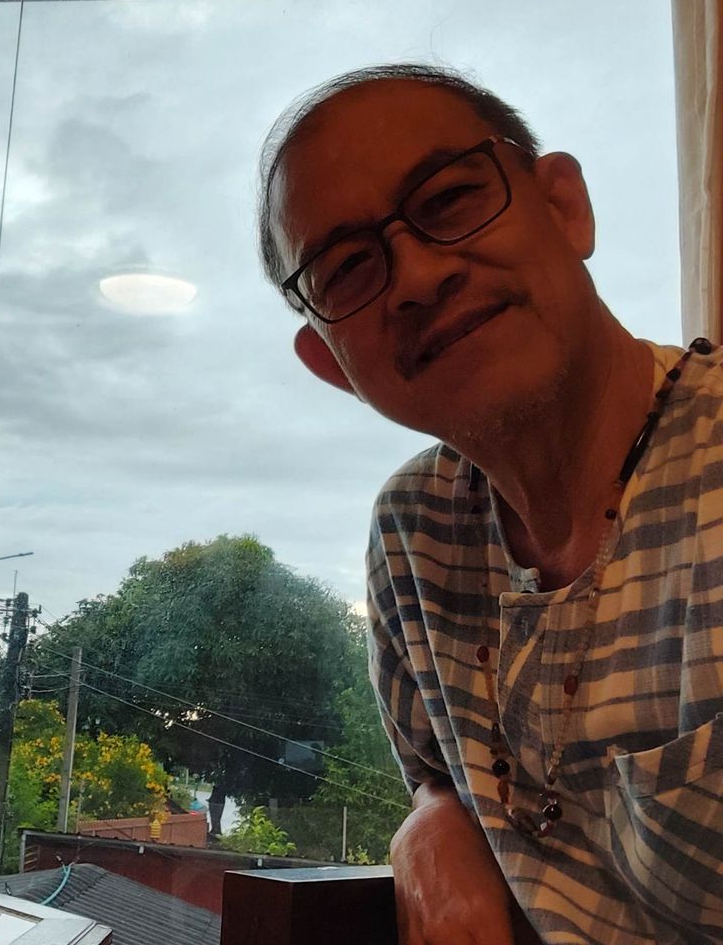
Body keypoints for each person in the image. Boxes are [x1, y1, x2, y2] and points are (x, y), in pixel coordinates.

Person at [257, 64, 723, 945]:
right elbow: (436, 770)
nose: (418, 275)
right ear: (330, 363)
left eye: (448, 199)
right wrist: (430, 821)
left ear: (565, 208)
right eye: (348, 267)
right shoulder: (413, 534)